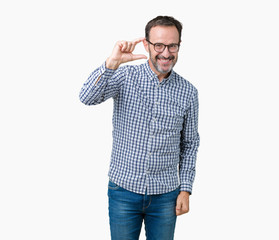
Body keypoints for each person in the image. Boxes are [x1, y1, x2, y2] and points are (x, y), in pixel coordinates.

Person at [79, 16, 200, 240]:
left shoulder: (188, 92)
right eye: (159, 45)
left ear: (179, 46)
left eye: (172, 45)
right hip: (123, 190)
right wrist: (111, 63)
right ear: (146, 44)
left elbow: (190, 143)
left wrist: (185, 188)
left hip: (166, 195)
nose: (166, 52)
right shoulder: (125, 76)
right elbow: (86, 98)